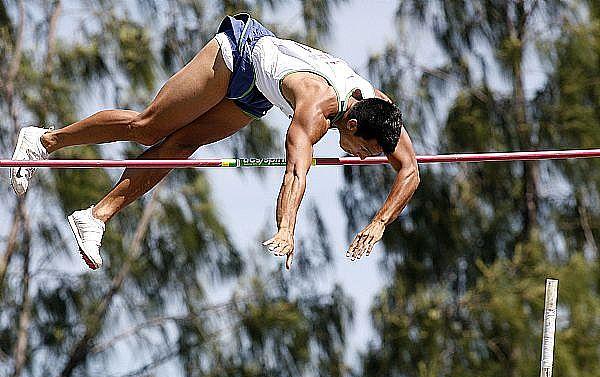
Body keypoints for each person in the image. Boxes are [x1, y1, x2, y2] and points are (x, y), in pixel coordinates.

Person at [10, 13, 420, 270]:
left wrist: (380, 221)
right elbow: (297, 173)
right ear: (349, 125)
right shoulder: (313, 111)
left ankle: (94, 218)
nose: (366, 159)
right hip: (239, 55)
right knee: (149, 127)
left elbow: (410, 171)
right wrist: (287, 229)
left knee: (183, 145)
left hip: (261, 92)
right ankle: (44, 140)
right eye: (364, 150)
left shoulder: (380, 113)